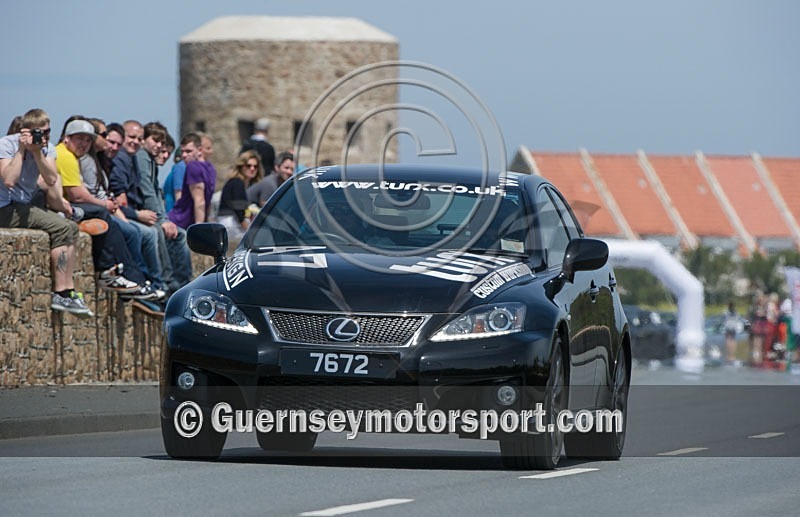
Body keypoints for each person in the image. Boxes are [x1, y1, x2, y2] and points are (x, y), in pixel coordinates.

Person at [0, 108, 91, 315]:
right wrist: (22, 150)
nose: (44, 137)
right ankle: (60, 292)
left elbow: (50, 179)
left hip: (22, 205)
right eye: (39, 132)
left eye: (48, 132)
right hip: (4, 207)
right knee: (60, 227)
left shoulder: (46, 149)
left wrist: (36, 152)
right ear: (25, 131)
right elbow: (9, 180)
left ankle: (68, 290)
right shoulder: (6, 144)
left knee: (71, 227)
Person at [56, 118, 157, 299]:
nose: (84, 144)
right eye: (79, 138)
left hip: (74, 208)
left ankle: (138, 281)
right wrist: (106, 205)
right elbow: (77, 195)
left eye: (88, 140)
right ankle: (119, 276)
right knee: (115, 223)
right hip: (66, 210)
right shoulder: (67, 157)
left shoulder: (86, 158)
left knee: (131, 229)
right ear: (66, 138)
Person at [167, 132, 216, 229]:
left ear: (199, 150)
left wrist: (198, 227)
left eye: (188, 151)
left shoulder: (193, 166)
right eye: (182, 151)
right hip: (185, 222)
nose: (184, 155)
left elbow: (199, 200)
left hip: (180, 222)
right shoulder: (211, 168)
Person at [217, 150, 263, 241]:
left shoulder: (239, 183)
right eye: (249, 165)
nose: (252, 168)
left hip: (231, 223)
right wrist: (250, 233)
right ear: (241, 166)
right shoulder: (237, 183)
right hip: (232, 224)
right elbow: (239, 212)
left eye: (255, 166)